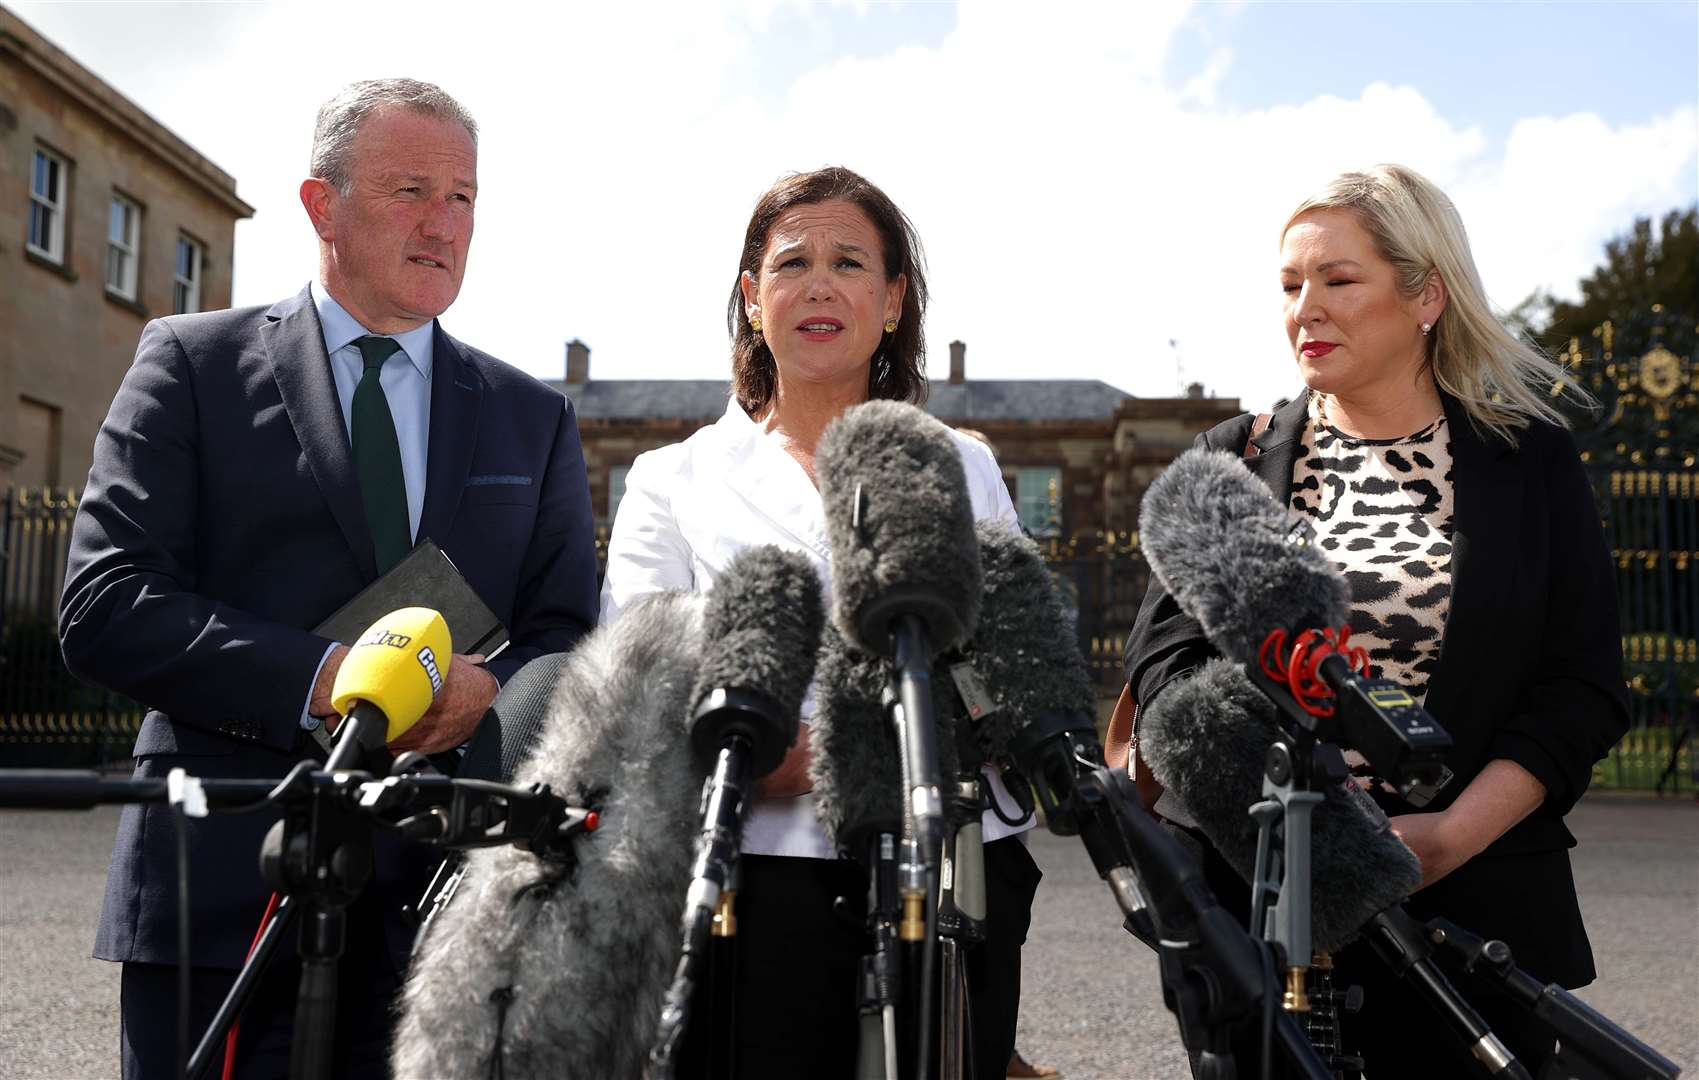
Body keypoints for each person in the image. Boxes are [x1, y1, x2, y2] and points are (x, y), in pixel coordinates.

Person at [58, 78, 599, 1078]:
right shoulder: (191, 365)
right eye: (411, 192)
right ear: (322, 205)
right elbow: (104, 603)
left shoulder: (534, 417)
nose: (444, 225)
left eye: (464, 198)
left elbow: (566, 634)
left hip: (451, 927)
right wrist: (328, 678)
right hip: (227, 900)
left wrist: (485, 697)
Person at [1124, 164, 1628, 1078]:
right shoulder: (1229, 463)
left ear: (1425, 293)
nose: (1304, 308)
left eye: (1337, 280)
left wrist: (1451, 835)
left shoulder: (1528, 462)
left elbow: (1581, 687)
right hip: (1261, 928)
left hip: (1474, 919)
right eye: (1289, 286)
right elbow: (1161, 679)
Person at [600, 166, 1042, 1079]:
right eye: (792, 261)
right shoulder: (670, 479)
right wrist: (786, 755)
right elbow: (641, 691)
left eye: (849, 262)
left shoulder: (960, 465)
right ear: (752, 299)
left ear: (891, 302)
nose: (819, 284)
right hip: (753, 879)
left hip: (953, 871)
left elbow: (1017, 659)